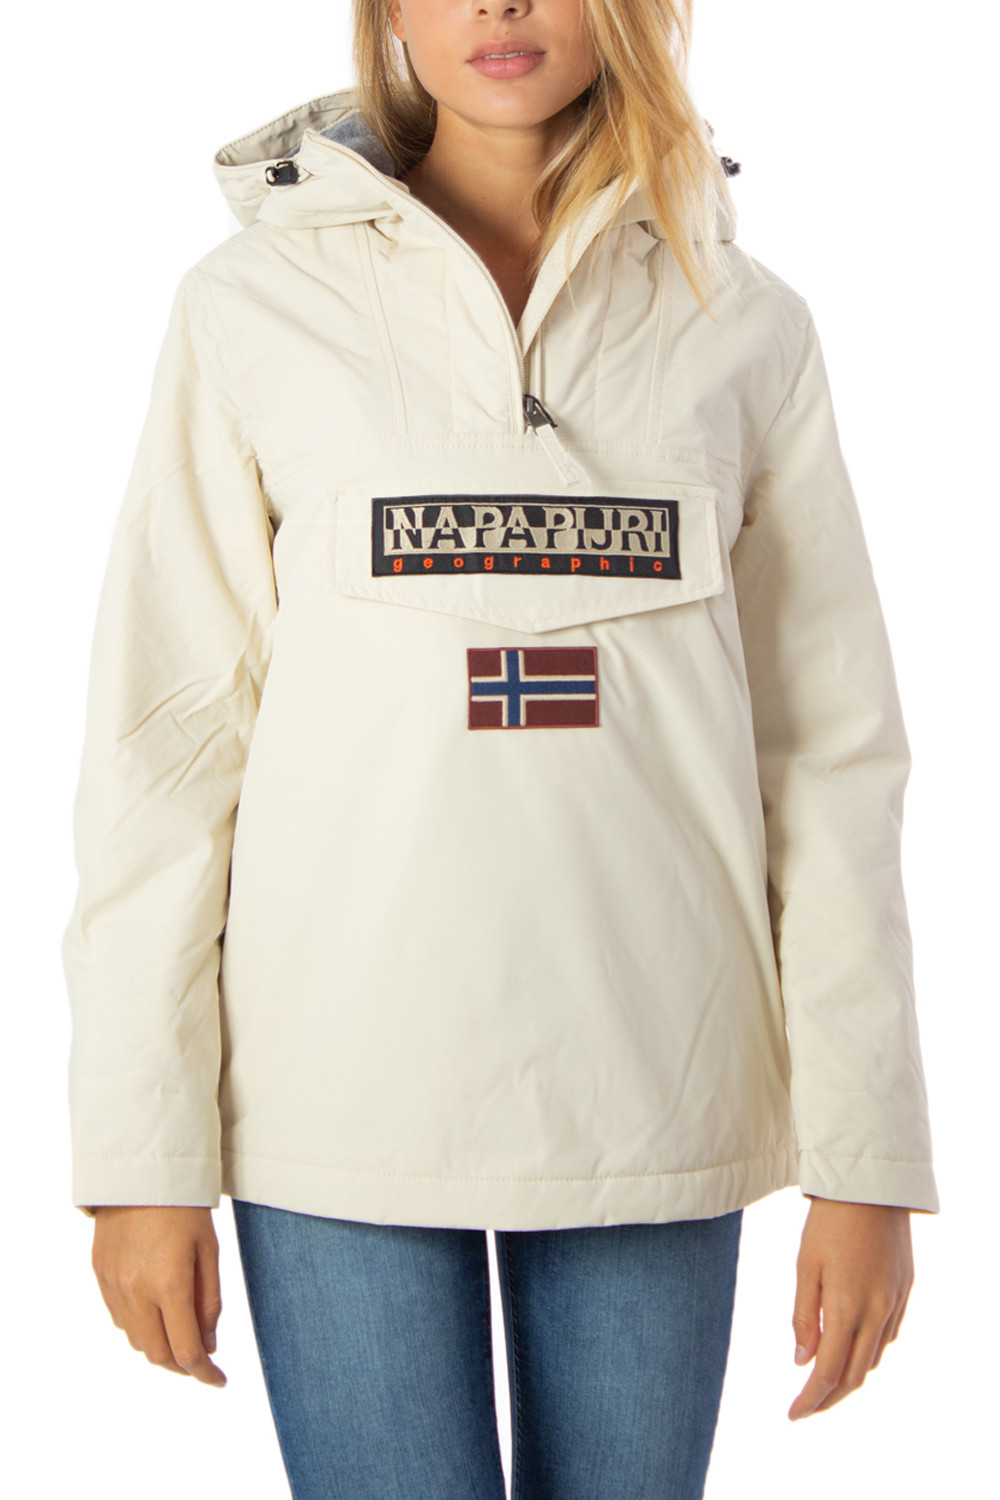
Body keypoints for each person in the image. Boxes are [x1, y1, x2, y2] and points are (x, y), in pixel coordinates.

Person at [61, 1, 941, 1495]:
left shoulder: (745, 320)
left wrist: (870, 1164)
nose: (500, 5)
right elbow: (167, 751)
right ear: (390, 11)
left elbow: (832, 764)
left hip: (660, 1086)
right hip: (331, 1102)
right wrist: (139, 1162)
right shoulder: (250, 305)